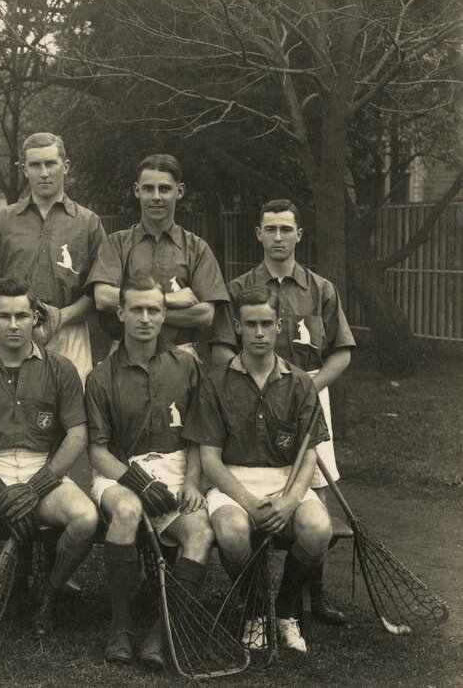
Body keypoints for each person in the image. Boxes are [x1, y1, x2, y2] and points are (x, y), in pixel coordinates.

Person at [209, 199, 355, 624]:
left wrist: (304, 387)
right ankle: (256, 602)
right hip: (248, 391)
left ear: (298, 235)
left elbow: (341, 352)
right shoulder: (237, 288)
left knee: (314, 495)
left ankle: (314, 599)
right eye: (269, 229)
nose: (277, 237)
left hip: (307, 390)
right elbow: (221, 349)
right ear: (258, 234)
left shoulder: (320, 287)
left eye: (285, 229)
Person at [0, 277, 99, 635]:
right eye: (4, 316)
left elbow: (77, 435)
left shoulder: (61, 369)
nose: (13, 325)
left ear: (35, 319)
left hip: (41, 468)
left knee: (86, 518)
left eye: (22, 316)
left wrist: (38, 486)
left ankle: (49, 592)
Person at [183, 286, 333, 653]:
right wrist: (249, 502)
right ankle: (253, 611)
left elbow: (309, 454)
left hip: (286, 480)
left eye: (267, 323)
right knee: (232, 533)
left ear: (280, 325)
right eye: (251, 324)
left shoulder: (299, 382)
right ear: (237, 326)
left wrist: (290, 500)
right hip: (233, 481)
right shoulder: (215, 383)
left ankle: (284, 612)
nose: (260, 333)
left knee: (319, 529)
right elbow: (210, 460)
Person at [85, 273, 213, 668]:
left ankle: (162, 632)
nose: (145, 318)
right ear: (120, 312)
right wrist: (135, 480)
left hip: (175, 468)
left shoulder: (188, 365)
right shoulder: (101, 375)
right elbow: (97, 450)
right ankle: (121, 629)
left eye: (154, 309)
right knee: (125, 512)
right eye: (136, 309)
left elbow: (196, 437)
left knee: (200, 533)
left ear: (164, 314)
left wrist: (192, 482)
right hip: (120, 470)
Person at [0, 132, 106, 384]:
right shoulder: (4, 219)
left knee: (71, 413)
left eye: (50, 164)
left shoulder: (88, 222)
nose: (43, 172)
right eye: (35, 165)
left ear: (65, 167)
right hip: (11, 329)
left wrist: (59, 317)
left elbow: (98, 290)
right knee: (4, 409)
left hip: (69, 330)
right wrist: (16, 315)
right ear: (25, 170)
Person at [88, 154, 228, 356]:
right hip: (125, 353)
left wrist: (137, 312)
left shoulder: (197, 248)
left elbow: (205, 315)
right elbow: (102, 298)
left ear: (179, 191)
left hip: (180, 354)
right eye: (148, 189)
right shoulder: (117, 244)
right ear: (137, 190)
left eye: (164, 189)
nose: (156, 197)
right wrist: (169, 299)